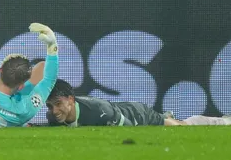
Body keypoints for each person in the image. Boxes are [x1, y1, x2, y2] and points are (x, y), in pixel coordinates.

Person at [45, 79, 231, 127]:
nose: (54, 110)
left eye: (58, 104)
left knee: (182, 128)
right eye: (50, 106)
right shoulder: (53, 117)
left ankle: (223, 122)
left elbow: (130, 130)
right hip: (122, 115)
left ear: (70, 99)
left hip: (136, 115)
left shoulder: (98, 110)